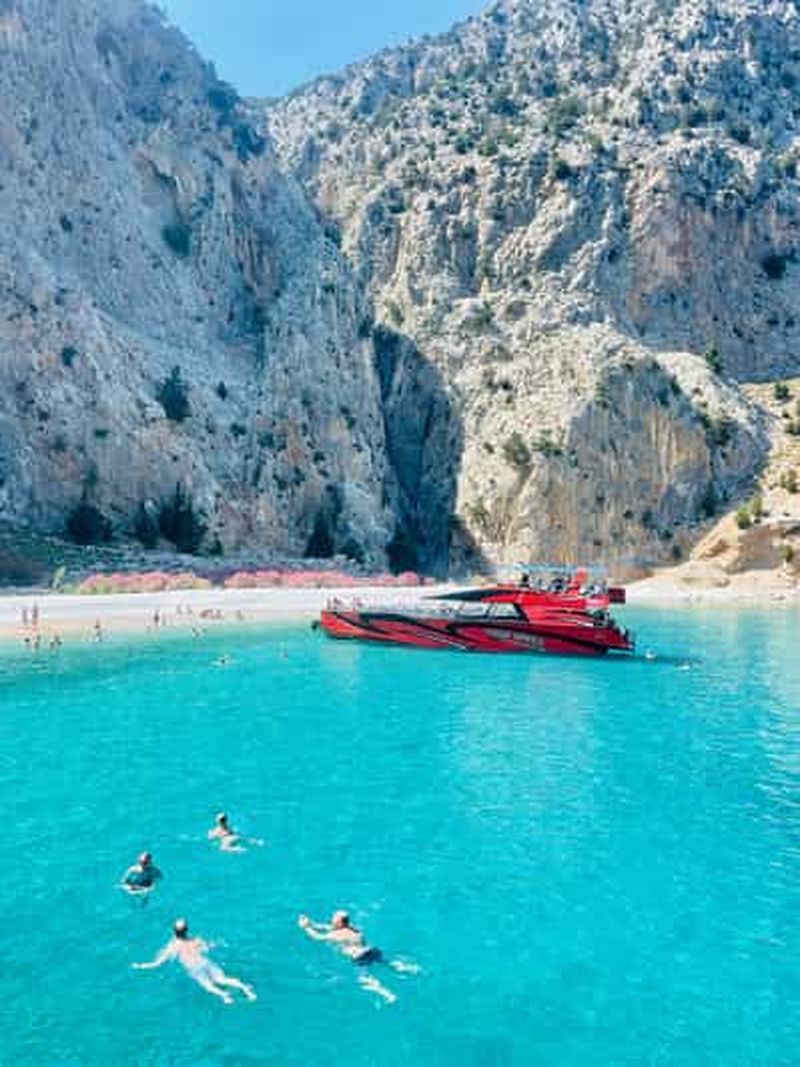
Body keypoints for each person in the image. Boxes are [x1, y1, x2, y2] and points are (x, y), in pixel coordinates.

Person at [298, 910, 414, 1003]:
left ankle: (388, 995)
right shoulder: (352, 928)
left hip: (360, 957)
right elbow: (325, 927)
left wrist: (305, 927)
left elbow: (317, 937)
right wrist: (311, 923)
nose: (331, 920)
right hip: (372, 950)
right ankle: (407, 968)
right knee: (385, 962)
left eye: (334, 919)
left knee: (364, 978)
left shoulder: (338, 934)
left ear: (340, 923)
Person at [132, 918, 256, 1004]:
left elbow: (157, 963)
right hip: (205, 962)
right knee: (222, 979)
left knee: (209, 986)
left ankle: (224, 995)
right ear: (187, 930)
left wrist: (141, 966)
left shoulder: (173, 946)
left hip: (194, 968)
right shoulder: (196, 939)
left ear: (174, 931)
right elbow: (207, 947)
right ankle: (245, 989)